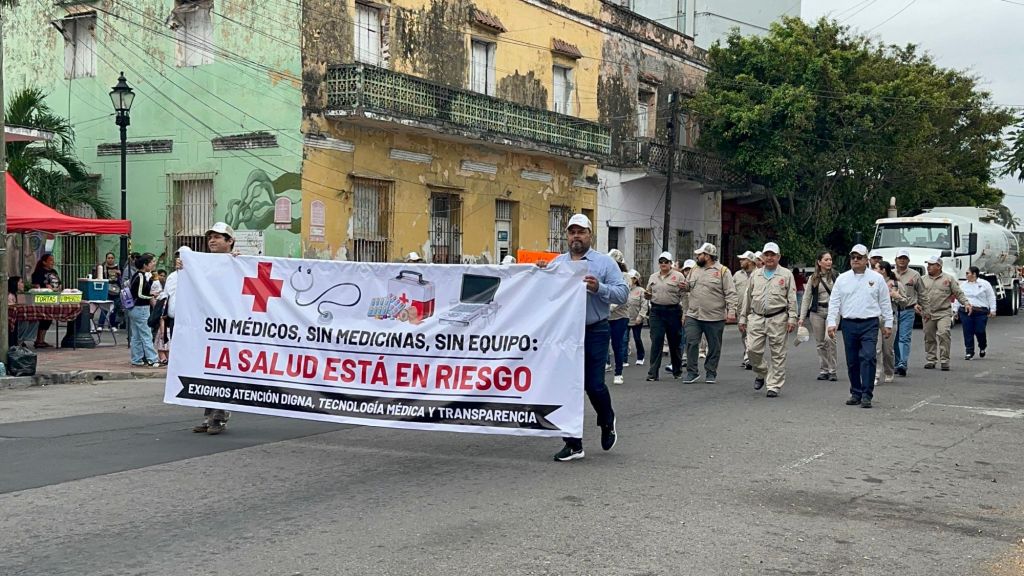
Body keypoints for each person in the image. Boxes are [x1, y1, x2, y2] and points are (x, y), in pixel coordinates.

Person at [540, 214, 627, 461]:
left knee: (593, 384)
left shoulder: (604, 263)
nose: (576, 236)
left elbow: (622, 294)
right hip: (565, 333)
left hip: (595, 329)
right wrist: (539, 274)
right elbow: (544, 293)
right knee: (566, 387)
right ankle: (573, 443)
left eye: (581, 231)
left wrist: (599, 288)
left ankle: (607, 419)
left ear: (590, 235)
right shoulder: (557, 263)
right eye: (572, 232)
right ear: (567, 236)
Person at [826, 244, 893, 409]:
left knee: (868, 356)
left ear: (866, 259)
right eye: (853, 257)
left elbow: (885, 302)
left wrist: (888, 323)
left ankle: (866, 394)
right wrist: (832, 322)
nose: (855, 260)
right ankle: (855, 392)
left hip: (869, 323)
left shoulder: (876, 278)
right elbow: (834, 302)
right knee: (852, 360)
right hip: (849, 323)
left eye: (859, 257)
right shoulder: (842, 279)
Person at [193, 223, 237, 435]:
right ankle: (209, 415)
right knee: (207, 372)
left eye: (218, 237)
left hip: (228, 328)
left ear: (230, 241)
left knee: (223, 372)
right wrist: (183, 265)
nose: (212, 240)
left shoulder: (238, 263)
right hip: (206, 327)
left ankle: (219, 417)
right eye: (210, 236)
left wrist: (240, 262)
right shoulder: (201, 263)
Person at [738, 242, 797, 397]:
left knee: (778, 353)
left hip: (778, 317)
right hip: (756, 317)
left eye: (773, 255)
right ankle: (762, 372)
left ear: (778, 257)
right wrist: (743, 318)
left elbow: (792, 298)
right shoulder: (756, 275)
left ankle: (774, 385)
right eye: (767, 255)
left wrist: (792, 318)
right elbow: (747, 297)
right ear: (763, 257)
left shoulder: (786, 275)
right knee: (752, 350)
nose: (769, 258)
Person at [681, 243, 737, 384]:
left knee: (714, 346)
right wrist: (685, 286)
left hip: (714, 316)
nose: (697, 257)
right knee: (691, 342)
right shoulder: (694, 269)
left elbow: (730, 293)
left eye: (699, 254)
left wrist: (731, 311)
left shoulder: (723, 271)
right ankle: (692, 372)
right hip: (694, 314)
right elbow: (689, 286)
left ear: (707, 256)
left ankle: (711, 371)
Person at [918, 255, 971, 371]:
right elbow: (917, 294)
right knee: (929, 336)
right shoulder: (922, 280)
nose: (928, 267)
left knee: (944, 333)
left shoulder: (949, 279)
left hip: (944, 312)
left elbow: (958, 293)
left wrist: (966, 303)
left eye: (931, 265)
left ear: (939, 266)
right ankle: (931, 360)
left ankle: (944, 360)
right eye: (928, 265)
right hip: (928, 313)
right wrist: (916, 304)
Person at [644, 251, 686, 381]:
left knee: (674, 342)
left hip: (673, 311)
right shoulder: (653, 277)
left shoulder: (678, 276)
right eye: (661, 262)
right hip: (656, 311)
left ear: (670, 263)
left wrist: (685, 314)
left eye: (666, 262)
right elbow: (648, 293)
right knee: (656, 340)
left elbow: (684, 296)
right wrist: (647, 295)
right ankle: (653, 373)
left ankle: (677, 370)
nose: (663, 264)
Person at [798, 251, 838, 381]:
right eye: (826, 259)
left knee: (829, 339)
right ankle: (824, 370)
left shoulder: (836, 276)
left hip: (832, 311)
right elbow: (806, 298)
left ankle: (832, 370)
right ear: (819, 262)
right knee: (820, 342)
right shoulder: (813, 278)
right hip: (817, 312)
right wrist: (802, 318)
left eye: (830, 259)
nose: (829, 262)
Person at [873, 260, 908, 384]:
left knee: (887, 350)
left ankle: (889, 371)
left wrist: (896, 296)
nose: (874, 270)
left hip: (890, 319)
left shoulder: (896, 284)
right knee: (876, 349)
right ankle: (875, 375)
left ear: (883, 270)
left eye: (876, 268)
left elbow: (905, 302)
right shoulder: (872, 283)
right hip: (875, 318)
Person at [893, 248, 926, 377]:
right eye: (900, 258)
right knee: (894, 338)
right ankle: (897, 363)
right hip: (893, 311)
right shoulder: (890, 274)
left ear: (908, 260)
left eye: (904, 258)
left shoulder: (915, 275)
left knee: (904, 338)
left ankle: (902, 363)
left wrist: (926, 309)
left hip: (908, 310)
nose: (902, 260)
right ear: (895, 260)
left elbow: (922, 293)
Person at [126, 253, 161, 368]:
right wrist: (151, 296)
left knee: (136, 336)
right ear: (145, 265)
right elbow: (139, 294)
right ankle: (153, 359)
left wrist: (150, 283)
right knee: (146, 334)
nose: (154, 264)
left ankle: (136, 359)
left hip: (134, 309)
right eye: (152, 262)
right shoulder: (140, 276)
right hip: (141, 308)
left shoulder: (138, 275)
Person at [957, 266, 996, 360]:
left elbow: (991, 297)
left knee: (980, 331)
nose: (966, 275)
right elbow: (958, 298)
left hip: (980, 311)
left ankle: (982, 346)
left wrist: (993, 309)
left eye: (968, 273)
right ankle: (969, 352)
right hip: (966, 311)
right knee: (968, 331)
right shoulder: (963, 285)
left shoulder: (985, 284)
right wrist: (954, 311)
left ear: (974, 274)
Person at [30, 253, 62, 348]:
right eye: (50, 260)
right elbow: (35, 285)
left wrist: (58, 288)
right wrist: (45, 288)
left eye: (53, 260)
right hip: (43, 298)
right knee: (43, 318)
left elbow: (59, 283)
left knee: (49, 318)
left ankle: (41, 340)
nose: (53, 262)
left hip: (54, 297)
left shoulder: (54, 271)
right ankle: (39, 340)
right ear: (44, 262)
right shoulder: (39, 272)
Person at [607, 261, 631, 384]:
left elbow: (624, 296)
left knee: (617, 344)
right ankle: (605, 364)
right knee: (601, 343)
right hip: (605, 316)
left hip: (620, 316)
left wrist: (610, 308)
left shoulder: (625, 276)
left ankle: (618, 373)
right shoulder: (604, 273)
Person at [733, 251, 756, 369]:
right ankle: (748, 354)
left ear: (750, 261)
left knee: (753, 334)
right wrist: (731, 308)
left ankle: (749, 357)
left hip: (755, 310)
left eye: (743, 259)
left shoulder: (758, 273)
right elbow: (732, 292)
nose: (740, 261)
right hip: (740, 310)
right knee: (744, 333)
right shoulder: (737, 275)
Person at [625, 270, 648, 366]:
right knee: (624, 339)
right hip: (625, 318)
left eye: (631, 278)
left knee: (637, 338)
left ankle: (640, 357)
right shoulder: (624, 289)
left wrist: (641, 316)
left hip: (636, 319)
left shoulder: (641, 290)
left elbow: (644, 305)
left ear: (635, 280)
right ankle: (624, 359)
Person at [7, 276, 38, 346]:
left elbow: (23, 305)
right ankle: (19, 341)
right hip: (12, 319)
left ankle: (23, 340)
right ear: (15, 284)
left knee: (35, 320)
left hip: (19, 316)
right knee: (24, 321)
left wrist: (21, 294)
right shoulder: (9, 295)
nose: (23, 284)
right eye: (21, 282)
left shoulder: (19, 294)